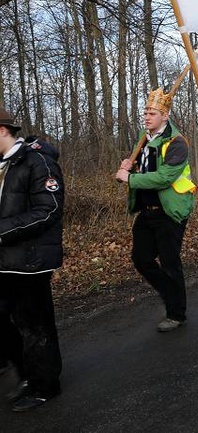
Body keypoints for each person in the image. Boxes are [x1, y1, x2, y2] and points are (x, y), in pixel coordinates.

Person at [115, 88, 196, 332]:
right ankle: (170, 293)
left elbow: (163, 178)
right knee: (141, 259)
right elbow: (140, 168)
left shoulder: (177, 143)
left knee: (170, 263)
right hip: (146, 210)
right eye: (146, 112)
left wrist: (129, 179)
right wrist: (128, 166)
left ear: (166, 115)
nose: (147, 117)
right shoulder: (144, 137)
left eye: (153, 113)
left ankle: (177, 313)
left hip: (170, 212)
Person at [0, 111, 65, 412]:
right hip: (4, 260)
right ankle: (26, 372)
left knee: (35, 324)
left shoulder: (37, 162)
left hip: (30, 260)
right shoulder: (4, 167)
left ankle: (44, 385)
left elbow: (48, 209)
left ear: (3, 131)